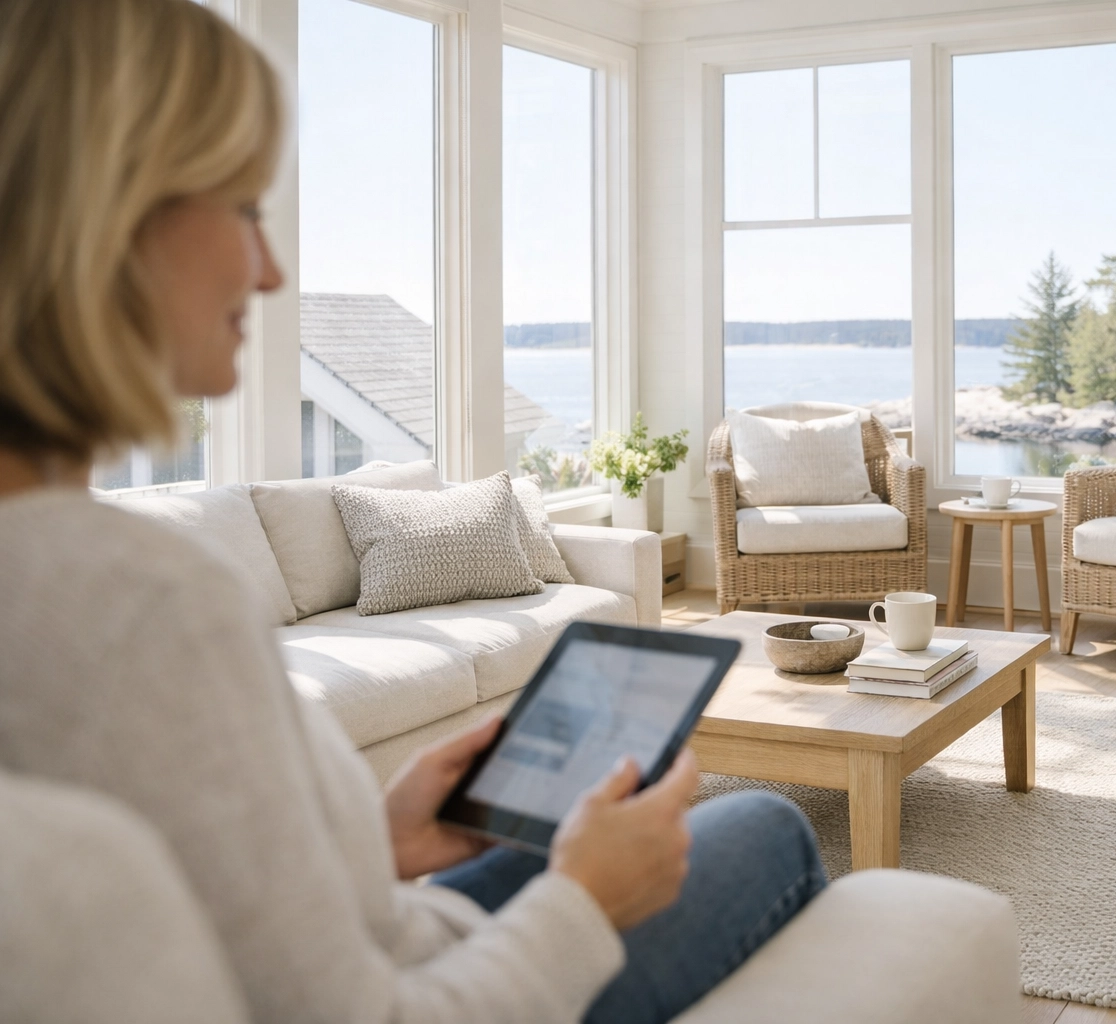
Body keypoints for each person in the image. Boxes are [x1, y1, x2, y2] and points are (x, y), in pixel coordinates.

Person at [0, 1, 826, 1021]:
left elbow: (221, 900)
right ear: (108, 217)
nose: (271, 270)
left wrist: (373, 844)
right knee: (771, 832)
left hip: (394, 920)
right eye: (246, 209)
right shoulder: (136, 603)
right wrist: (584, 898)